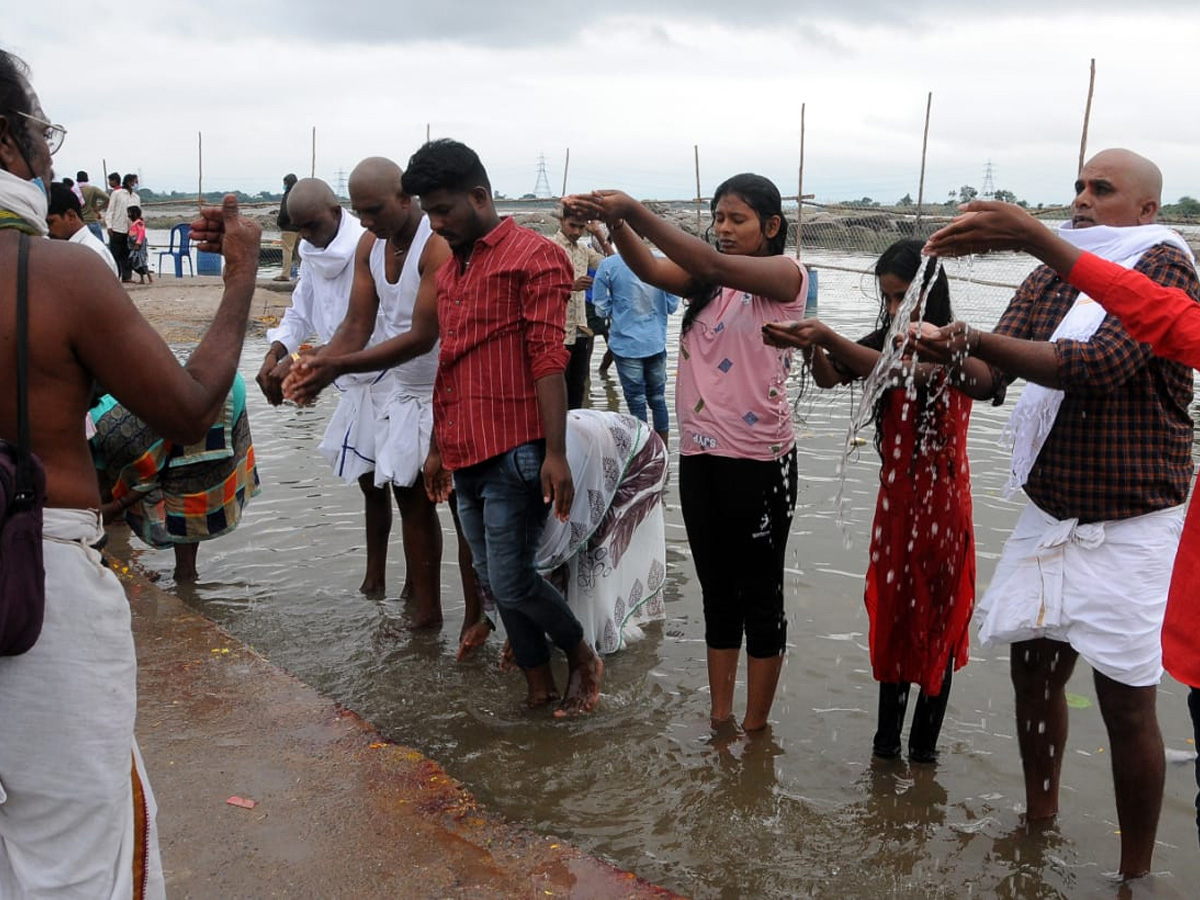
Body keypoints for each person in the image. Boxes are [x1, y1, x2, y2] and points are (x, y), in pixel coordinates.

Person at [0, 47, 261, 897]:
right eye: (43, 136)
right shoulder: (58, 274)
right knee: (76, 837)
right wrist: (240, 280)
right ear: (7, 144)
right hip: (35, 581)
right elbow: (188, 407)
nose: (49, 158)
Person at [914, 148, 1199, 879]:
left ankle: (1132, 874)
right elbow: (991, 376)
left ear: (1145, 212)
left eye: (1101, 189)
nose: (1081, 198)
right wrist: (946, 351)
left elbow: (1097, 366)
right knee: (1034, 676)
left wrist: (976, 341)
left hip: (1136, 524)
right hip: (1053, 513)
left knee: (1126, 704)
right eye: (1077, 185)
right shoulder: (1051, 274)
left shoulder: (1161, 262)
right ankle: (1038, 823)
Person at [568, 174, 807, 733]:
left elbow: (713, 263)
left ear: (771, 227)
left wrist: (636, 208)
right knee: (718, 594)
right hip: (702, 458)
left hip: (761, 461)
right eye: (719, 218)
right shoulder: (706, 285)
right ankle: (721, 720)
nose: (723, 229)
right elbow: (651, 269)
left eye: (737, 219)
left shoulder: (785, 276)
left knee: (761, 600)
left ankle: (755, 729)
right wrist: (617, 223)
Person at [763, 239, 992, 762]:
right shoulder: (885, 338)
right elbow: (829, 376)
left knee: (937, 626)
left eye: (902, 297)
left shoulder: (954, 346)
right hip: (895, 508)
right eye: (886, 298)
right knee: (892, 621)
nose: (892, 309)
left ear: (929, 293)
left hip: (942, 506)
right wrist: (810, 345)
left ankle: (924, 754)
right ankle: (885, 751)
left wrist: (829, 334)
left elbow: (900, 372)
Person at [404, 138, 604, 716]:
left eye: (444, 210)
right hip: (464, 447)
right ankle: (538, 689)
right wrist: (439, 448)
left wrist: (555, 453)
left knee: (512, 581)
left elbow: (549, 357)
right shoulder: (451, 272)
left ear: (481, 196)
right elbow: (448, 362)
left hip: (515, 448)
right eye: (429, 214)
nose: (437, 225)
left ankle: (581, 653)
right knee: (494, 579)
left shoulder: (535, 256)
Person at [282, 156, 454, 629]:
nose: (366, 222)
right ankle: (427, 617)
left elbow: (422, 336)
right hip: (402, 388)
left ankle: (476, 614)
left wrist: (333, 364)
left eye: (375, 210)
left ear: (406, 199)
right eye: (360, 212)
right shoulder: (370, 247)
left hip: (449, 387)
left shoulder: (434, 246)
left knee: (464, 511)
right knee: (408, 495)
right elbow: (356, 325)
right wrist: (311, 364)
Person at [256, 177, 407, 598]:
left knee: (409, 491)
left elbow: (366, 327)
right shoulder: (310, 253)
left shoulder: (369, 246)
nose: (307, 236)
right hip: (351, 381)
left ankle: (418, 590)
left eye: (313, 226)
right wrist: (278, 350)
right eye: (299, 228)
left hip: (390, 377)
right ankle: (374, 581)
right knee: (371, 483)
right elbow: (302, 309)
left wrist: (308, 360)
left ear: (337, 214)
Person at [459, 409, 670, 660]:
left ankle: (601, 652)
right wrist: (488, 619)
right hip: (589, 450)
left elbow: (534, 567)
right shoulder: (476, 478)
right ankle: (571, 643)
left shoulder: (528, 482)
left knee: (592, 564)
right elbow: (486, 560)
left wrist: (523, 633)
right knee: (558, 565)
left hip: (637, 456)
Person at [88, 373, 259, 582]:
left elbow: (140, 484)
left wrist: (116, 505)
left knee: (184, 483)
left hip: (207, 400)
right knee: (179, 476)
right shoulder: (101, 411)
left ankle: (185, 576)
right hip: (221, 381)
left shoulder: (99, 433)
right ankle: (180, 573)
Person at [590, 249, 679, 444]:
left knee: (636, 401)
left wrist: (617, 309)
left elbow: (601, 308)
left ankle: (643, 451)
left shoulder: (609, 265)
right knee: (658, 399)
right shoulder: (662, 261)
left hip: (626, 344)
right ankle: (663, 450)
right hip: (655, 341)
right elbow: (673, 305)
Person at [551, 208, 612, 409]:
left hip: (581, 329)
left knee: (578, 388)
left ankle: (575, 434)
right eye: (572, 226)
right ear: (561, 221)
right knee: (557, 392)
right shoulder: (549, 248)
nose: (577, 232)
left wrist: (598, 234)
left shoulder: (583, 250)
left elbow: (613, 263)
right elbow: (535, 288)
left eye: (581, 227)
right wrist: (570, 286)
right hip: (557, 332)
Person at [46, 180, 118, 275]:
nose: (47, 229)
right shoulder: (73, 250)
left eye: (50, 222)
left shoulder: (91, 254)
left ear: (71, 216)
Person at [104, 171, 139, 282]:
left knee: (127, 254)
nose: (136, 183)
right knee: (115, 254)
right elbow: (110, 210)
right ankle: (114, 276)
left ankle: (127, 277)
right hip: (117, 228)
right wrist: (109, 225)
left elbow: (137, 214)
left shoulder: (136, 197)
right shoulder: (117, 194)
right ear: (129, 182)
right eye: (134, 181)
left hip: (131, 229)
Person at [275, 172, 299, 281]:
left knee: (287, 251)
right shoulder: (300, 194)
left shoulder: (288, 194)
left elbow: (284, 212)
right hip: (300, 227)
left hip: (288, 228)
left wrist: (280, 222)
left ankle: (285, 274)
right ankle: (305, 274)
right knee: (300, 253)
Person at [76, 168, 108, 240]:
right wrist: (98, 208)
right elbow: (107, 198)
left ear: (77, 179)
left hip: (81, 223)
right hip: (92, 220)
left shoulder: (74, 191)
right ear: (87, 179)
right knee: (99, 247)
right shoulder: (93, 189)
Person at [127, 203, 152, 284]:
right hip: (134, 244)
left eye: (130, 213)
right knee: (139, 261)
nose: (128, 215)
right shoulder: (137, 223)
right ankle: (147, 278)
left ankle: (144, 279)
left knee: (140, 261)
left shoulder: (139, 223)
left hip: (138, 244)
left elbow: (141, 233)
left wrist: (138, 243)